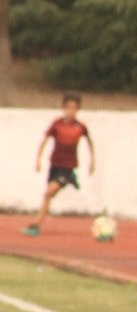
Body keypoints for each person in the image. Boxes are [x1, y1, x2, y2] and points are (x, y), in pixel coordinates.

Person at [22, 92, 95, 236]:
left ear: (78, 109)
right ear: (63, 108)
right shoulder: (57, 124)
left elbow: (89, 142)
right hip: (55, 164)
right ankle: (36, 226)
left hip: (68, 166)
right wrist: (38, 160)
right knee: (48, 195)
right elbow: (45, 140)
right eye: (68, 108)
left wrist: (92, 161)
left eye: (74, 108)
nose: (71, 111)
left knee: (48, 192)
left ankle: (36, 223)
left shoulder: (80, 127)